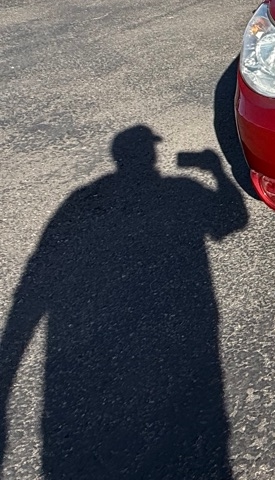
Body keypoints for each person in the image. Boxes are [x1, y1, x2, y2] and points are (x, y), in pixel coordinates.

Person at [0, 126, 247, 479]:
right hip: (183, 333)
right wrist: (217, 172)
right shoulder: (182, 189)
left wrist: (9, 360)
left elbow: (35, 279)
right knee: (192, 430)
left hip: (103, 351)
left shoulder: (82, 199)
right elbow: (233, 220)